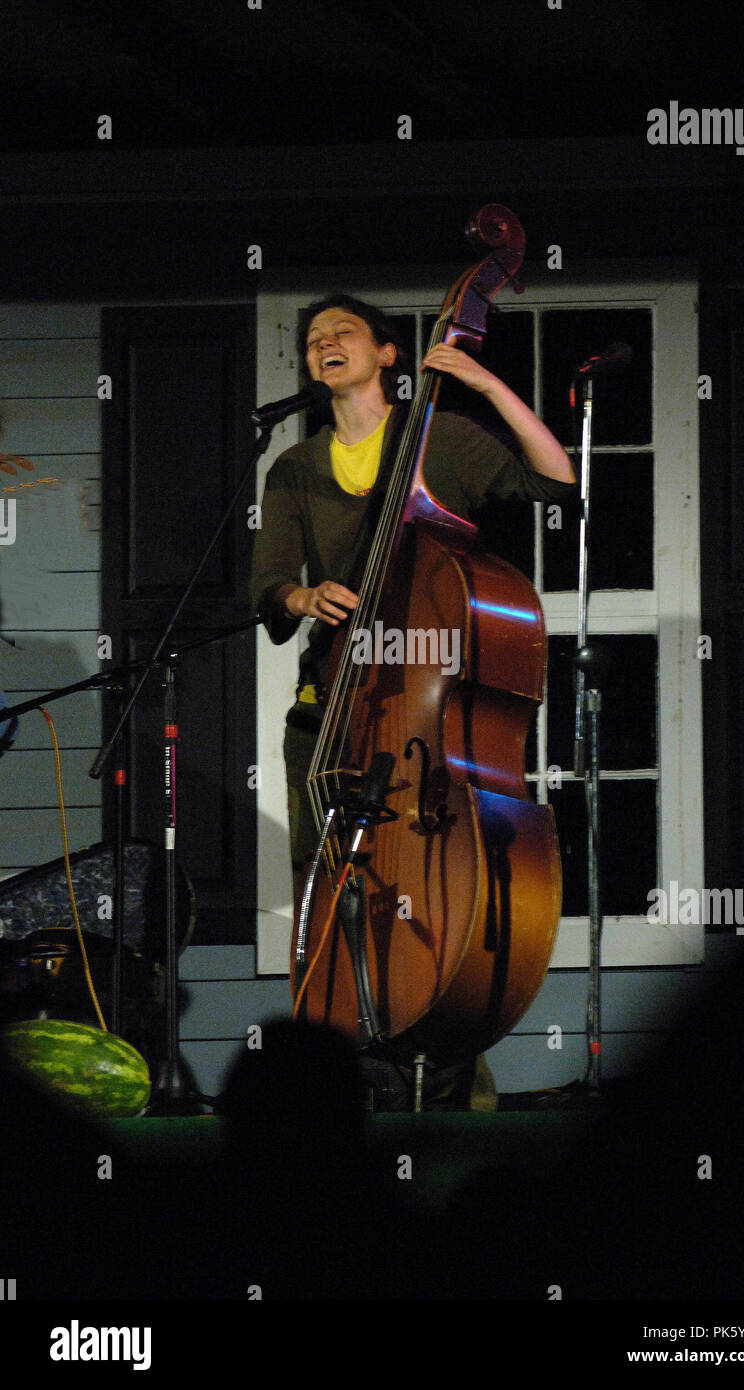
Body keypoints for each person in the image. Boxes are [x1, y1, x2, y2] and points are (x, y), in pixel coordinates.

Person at [250, 294, 576, 1109]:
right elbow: (268, 584)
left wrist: (483, 382)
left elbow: (555, 483)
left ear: (388, 354)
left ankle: (452, 1061)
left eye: (342, 333)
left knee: (436, 890)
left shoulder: (443, 442)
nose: (323, 344)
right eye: (313, 338)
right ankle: (352, 1074)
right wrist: (300, 597)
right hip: (334, 718)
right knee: (338, 893)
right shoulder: (294, 467)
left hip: (428, 716)